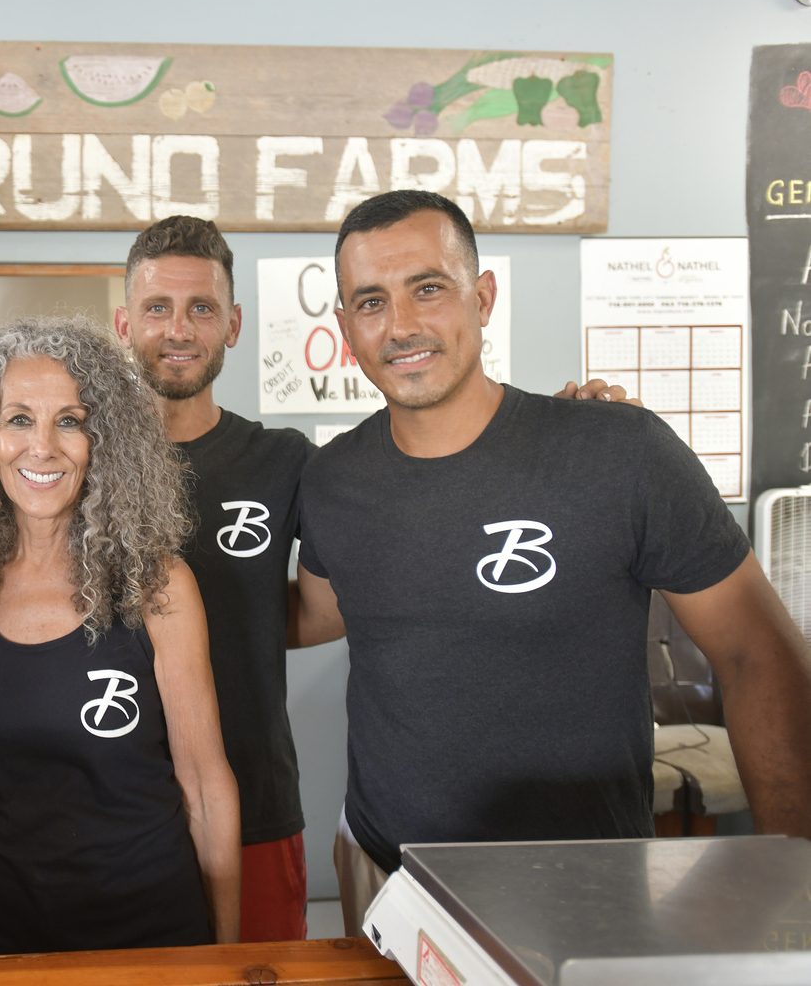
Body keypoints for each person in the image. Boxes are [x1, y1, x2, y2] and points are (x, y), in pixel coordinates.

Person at [295, 189, 811, 936]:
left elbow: (757, 654)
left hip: (590, 880)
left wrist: (788, 878)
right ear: (346, 327)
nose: (400, 325)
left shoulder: (617, 451)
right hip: (388, 874)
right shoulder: (332, 479)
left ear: (483, 297)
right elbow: (321, 611)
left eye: (428, 288)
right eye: (370, 302)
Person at [112, 215, 632, 941]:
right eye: (157, 309)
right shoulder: (77, 462)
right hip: (104, 802)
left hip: (253, 798)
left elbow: (377, 547)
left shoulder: (287, 461)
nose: (179, 329)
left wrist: (573, 435)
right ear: (123, 322)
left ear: (232, 325)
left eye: (202, 309)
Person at [0, 318, 241, 957]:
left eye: (70, 420)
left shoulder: (158, 589)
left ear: (103, 441)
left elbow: (205, 786)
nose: (43, 447)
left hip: (147, 943)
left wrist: (226, 959)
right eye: (18, 420)